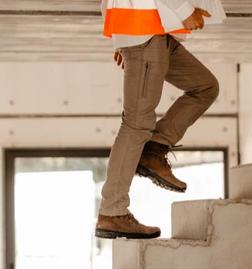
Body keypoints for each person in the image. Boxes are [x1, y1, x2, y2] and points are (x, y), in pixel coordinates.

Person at [95, 0, 220, 239]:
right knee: (137, 122)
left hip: (153, 32)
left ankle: (153, 151)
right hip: (145, 32)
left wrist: (122, 38)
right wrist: (185, 10)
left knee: (205, 87)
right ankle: (112, 211)